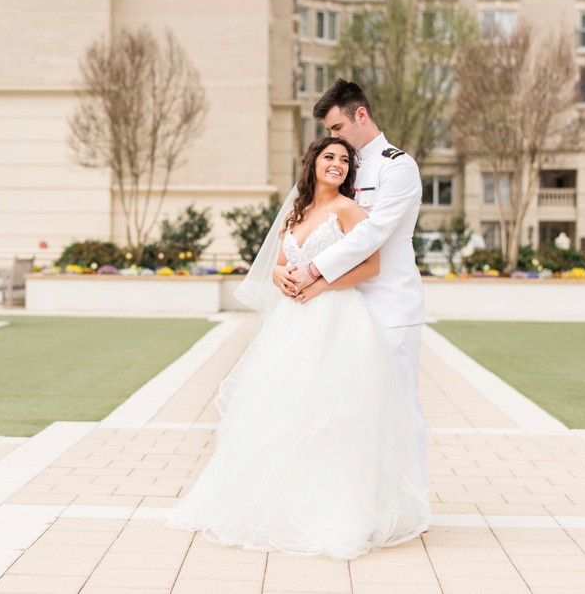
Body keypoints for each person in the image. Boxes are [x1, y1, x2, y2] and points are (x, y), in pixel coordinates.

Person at [166, 136, 430, 560]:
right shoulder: (298, 213)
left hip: (337, 319)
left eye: (345, 160)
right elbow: (280, 263)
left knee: (331, 414)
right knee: (284, 407)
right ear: (313, 162)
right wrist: (278, 277)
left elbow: (371, 265)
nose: (338, 165)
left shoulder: (349, 210)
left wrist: (321, 283)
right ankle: (280, 503)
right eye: (330, 157)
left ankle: (332, 509)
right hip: (293, 324)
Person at [282, 79, 429, 496]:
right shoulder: (344, 164)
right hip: (345, 307)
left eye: (337, 128)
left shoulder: (396, 166)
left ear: (360, 115)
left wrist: (313, 269)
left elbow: (375, 232)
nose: (332, 139)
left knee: (399, 407)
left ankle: (411, 501)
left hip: (389, 305)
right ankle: (364, 497)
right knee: (352, 410)